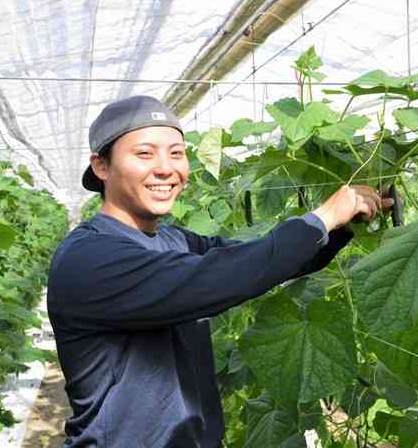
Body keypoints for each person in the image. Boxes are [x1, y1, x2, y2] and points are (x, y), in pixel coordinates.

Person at [47, 95, 392, 448]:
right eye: (144, 154)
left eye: (177, 153)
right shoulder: (88, 258)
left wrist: (341, 227)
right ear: (101, 166)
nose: (166, 168)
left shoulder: (173, 240)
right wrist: (322, 217)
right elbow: (222, 277)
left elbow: (255, 262)